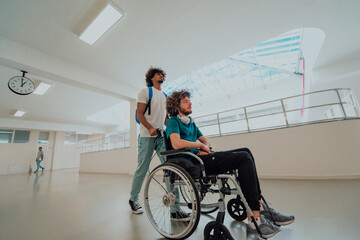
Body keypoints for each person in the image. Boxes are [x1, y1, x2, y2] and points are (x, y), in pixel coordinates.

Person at [165, 90, 295, 238]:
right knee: (243, 158)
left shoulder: (191, 123)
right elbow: (176, 143)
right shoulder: (173, 121)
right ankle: (254, 219)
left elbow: (205, 141)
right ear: (176, 106)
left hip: (204, 157)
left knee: (246, 151)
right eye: (185, 101)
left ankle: (259, 205)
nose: (190, 103)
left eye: (189, 100)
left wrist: (205, 147)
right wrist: (199, 146)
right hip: (193, 162)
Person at [129, 67, 190, 221]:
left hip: (161, 136)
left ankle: (175, 210)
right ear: (151, 78)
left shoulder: (164, 95)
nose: (161, 75)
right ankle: (133, 199)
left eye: (162, 74)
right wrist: (149, 128)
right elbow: (139, 114)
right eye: (158, 74)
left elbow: (165, 118)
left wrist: (173, 129)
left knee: (171, 169)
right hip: (146, 136)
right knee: (142, 169)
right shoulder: (145, 92)